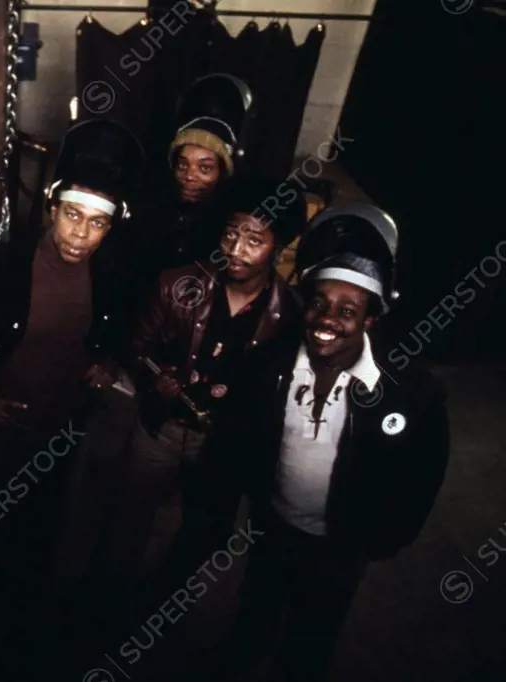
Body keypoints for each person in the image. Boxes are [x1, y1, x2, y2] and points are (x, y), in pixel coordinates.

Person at [213, 204, 449, 682]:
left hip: (341, 545)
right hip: (274, 524)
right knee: (257, 609)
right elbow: (239, 438)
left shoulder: (409, 390)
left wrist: (385, 537)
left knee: (312, 633)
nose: (328, 319)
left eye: (348, 311)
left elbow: (424, 472)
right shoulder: (268, 366)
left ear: (369, 320)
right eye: (319, 304)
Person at [0, 119, 145, 677]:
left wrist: (102, 364)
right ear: (52, 209)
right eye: (74, 216)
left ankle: (31, 639)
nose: (82, 236)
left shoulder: (112, 276)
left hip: (57, 432)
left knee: (43, 534)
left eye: (99, 224)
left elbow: (103, 337)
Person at [112, 175, 306, 583]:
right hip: (158, 430)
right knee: (126, 521)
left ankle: (162, 603)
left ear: (279, 245)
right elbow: (136, 346)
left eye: (255, 240)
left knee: (202, 533)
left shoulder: (290, 316)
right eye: (231, 234)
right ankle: (110, 594)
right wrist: (154, 378)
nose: (236, 250)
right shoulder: (177, 284)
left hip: (224, 446)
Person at [130, 73, 253, 292]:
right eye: (183, 164)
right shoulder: (149, 206)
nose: (189, 176)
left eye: (205, 168)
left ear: (222, 172)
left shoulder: (231, 225)